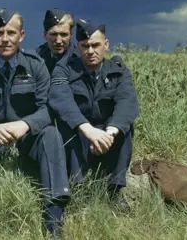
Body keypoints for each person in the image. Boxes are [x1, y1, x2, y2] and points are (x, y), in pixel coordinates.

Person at [0, 8, 71, 239]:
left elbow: (47, 109)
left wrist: (25, 125)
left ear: (21, 35)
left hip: (25, 137)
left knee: (51, 134)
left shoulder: (36, 65)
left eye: (11, 33)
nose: (5, 39)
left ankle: (54, 219)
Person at [49, 18, 140, 215]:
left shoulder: (117, 69)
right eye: (85, 46)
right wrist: (88, 130)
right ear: (78, 46)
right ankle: (79, 188)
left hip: (107, 137)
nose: (90, 51)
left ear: (106, 45)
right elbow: (61, 99)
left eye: (96, 45)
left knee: (125, 125)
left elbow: (127, 102)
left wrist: (110, 132)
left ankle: (114, 191)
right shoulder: (65, 68)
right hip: (81, 136)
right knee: (67, 124)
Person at [36, 8, 78, 75]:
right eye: (53, 34)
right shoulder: (35, 58)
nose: (58, 41)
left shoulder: (81, 60)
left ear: (71, 35)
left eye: (64, 34)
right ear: (45, 35)